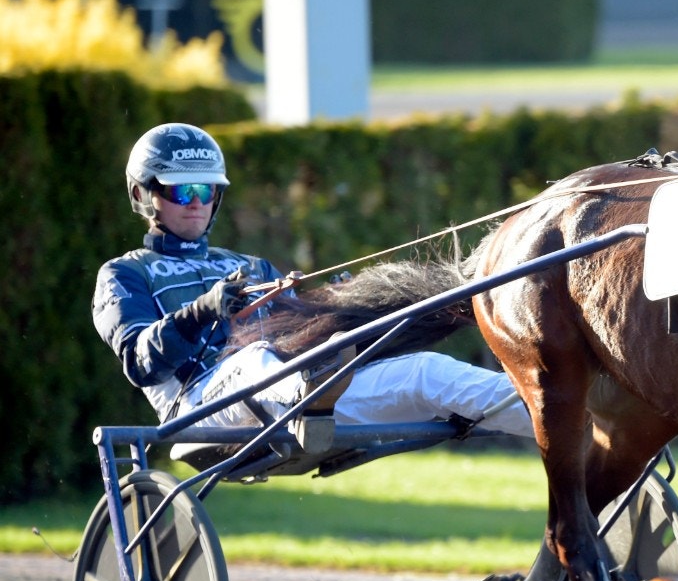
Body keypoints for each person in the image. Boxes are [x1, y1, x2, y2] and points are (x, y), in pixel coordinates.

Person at [92, 122, 533, 439]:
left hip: (300, 392)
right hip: (198, 407)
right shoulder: (124, 274)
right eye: (181, 191)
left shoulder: (251, 266)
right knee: (256, 357)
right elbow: (139, 363)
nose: (196, 203)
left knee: (428, 372)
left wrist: (333, 304)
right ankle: (308, 385)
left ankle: (572, 421)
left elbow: (294, 330)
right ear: (142, 194)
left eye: (205, 191)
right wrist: (202, 310)